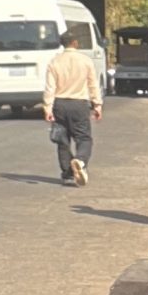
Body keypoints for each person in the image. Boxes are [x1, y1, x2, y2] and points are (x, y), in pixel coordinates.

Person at [41, 22, 102, 185]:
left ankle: (67, 174)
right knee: (84, 138)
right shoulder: (85, 61)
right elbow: (93, 84)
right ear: (75, 43)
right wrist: (97, 104)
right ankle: (80, 160)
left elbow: (50, 87)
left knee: (62, 140)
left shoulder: (54, 62)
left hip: (60, 104)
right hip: (79, 104)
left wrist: (47, 108)